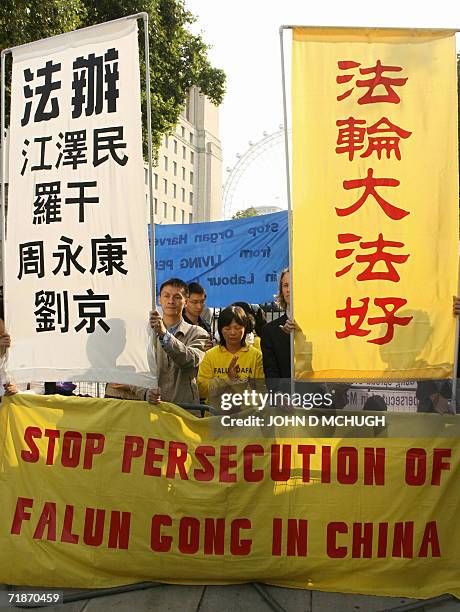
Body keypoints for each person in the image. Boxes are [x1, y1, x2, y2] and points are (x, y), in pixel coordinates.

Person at [145, 278, 209, 405]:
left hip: (184, 410)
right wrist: (145, 393)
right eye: (166, 296)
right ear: (159, 299)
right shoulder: (146, 333)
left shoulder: (198, 333)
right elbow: (137, 370)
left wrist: (164, 334)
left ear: (186, 301)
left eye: (177, 297)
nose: (171, 301)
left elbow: (190, 360)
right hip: (153, 409)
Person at [197, 305, 264, 406]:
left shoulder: (255, 355)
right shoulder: (210, 355)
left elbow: (262, 391)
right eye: (227, 328)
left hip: (247, 415)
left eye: (237, 328)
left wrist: (238, 383)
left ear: (245, 328)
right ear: (220, 330)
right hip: (216, 415)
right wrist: (227, 379)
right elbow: (201, 390)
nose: (232, 333)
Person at [260, 268, 291, 379]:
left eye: (294, 284)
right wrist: (279, 394)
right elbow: (271, 370)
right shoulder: (270, 331)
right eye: (286, 285)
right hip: (284, 394)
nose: (289, 290)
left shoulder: (317, 327)